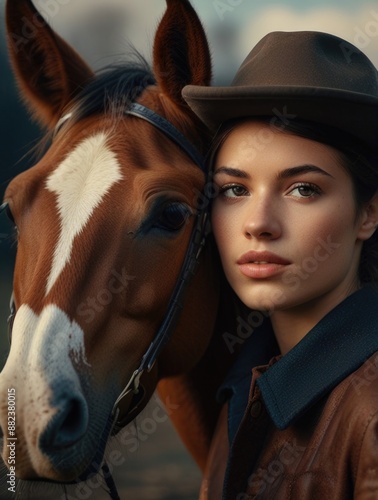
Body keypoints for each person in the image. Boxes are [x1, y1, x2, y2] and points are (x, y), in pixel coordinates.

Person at [182, 31, 378, 499]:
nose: (258, 224)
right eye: (235, 189)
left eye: (303, 189)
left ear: (368, 213)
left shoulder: (370, 414)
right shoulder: (244, 388)